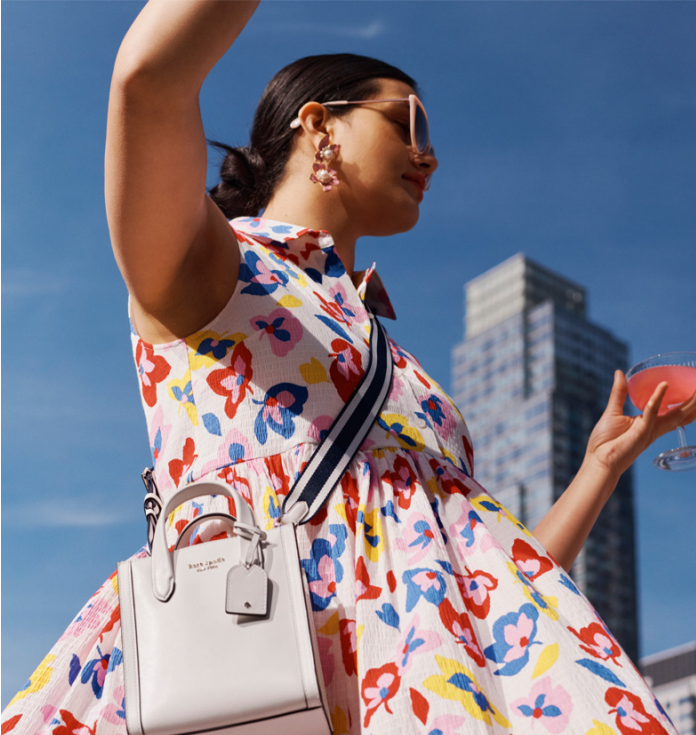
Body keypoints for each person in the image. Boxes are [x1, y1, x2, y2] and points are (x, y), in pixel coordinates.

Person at [3, 2, 696, 734]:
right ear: (318, 123)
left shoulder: (411, 378)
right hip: (250, 671)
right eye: (411, 122)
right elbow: (147, 80)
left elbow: (491, 587)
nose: (430, 155)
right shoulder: (215, 267)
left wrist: (598, 467)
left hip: (420, 692)